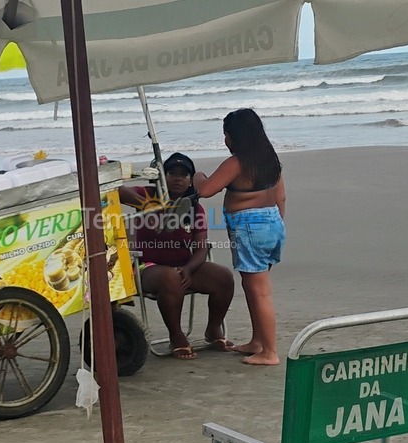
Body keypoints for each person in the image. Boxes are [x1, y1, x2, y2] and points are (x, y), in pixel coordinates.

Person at [119, 152, 236, 360]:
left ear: (191, 180)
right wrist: (147, 205)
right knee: (170, 278)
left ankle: (213, 329)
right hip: (147, 266)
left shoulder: (194, 207)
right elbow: (117, 191)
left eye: (184, 174)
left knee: (224, 277)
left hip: (184, 264)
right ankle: (177, 335)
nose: (177, 178)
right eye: (172, 173)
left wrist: (189, 269)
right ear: (163, 176)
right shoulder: (148, 194)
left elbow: (201, 248)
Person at [193, 108, 286, 366]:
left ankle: (269, 351)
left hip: (249, 227)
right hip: (273, 222)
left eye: (226, 134)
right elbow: (281, 196)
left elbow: (207, 190)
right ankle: (258, 341)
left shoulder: (237, 162)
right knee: (252, 284)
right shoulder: (269, 158)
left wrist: (197, 176)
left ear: (236, 137)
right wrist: (276, 226)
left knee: (260, 290)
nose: (225, 140)